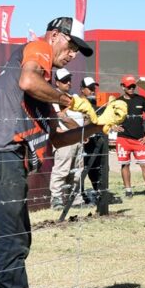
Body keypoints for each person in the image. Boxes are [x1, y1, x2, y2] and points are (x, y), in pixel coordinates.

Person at [0, 16, 106, 288]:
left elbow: (56, 139)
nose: (72, 54)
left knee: (17, 238)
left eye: (77, 51)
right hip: (2, 154)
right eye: (71, 46)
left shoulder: (44, 91)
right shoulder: (38, 49)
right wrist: (69, 100)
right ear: (55, 35)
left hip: (5, 157)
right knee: (12, 239)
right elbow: (28, 81)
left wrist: (97, 126)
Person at [48, 67, 84, 209]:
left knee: (77, 171)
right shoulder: (54, 97)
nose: (68, 82)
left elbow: (83, 115)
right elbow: (61, 117)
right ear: (57, 82)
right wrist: (81, 131)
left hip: (78, 138)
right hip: (65, 139)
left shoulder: (73, 97)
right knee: (62, 170)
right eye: (64, 80)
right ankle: (56, 200)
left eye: (69, 79)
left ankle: (75, 199)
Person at [117, 75, 145, 199]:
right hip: (123, 139)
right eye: (129, 86)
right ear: (122, 86)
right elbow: (108, 117)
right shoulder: (117, 102)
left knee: (144, 164)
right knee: (125, 165)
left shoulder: (141, 99)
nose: (132, 88)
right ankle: (128, 191)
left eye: (133, 86)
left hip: (139, 139)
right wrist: (113, 126)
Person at [76, 76, 108, 205]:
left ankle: (97, 192)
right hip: (82, 140)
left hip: (95, 140)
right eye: (89, 88)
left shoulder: (95, 104)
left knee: (95, 167)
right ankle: (81, 194)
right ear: (82, 89)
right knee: (81, 169)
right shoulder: (77, 103)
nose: (92, 91)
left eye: (93, 88)